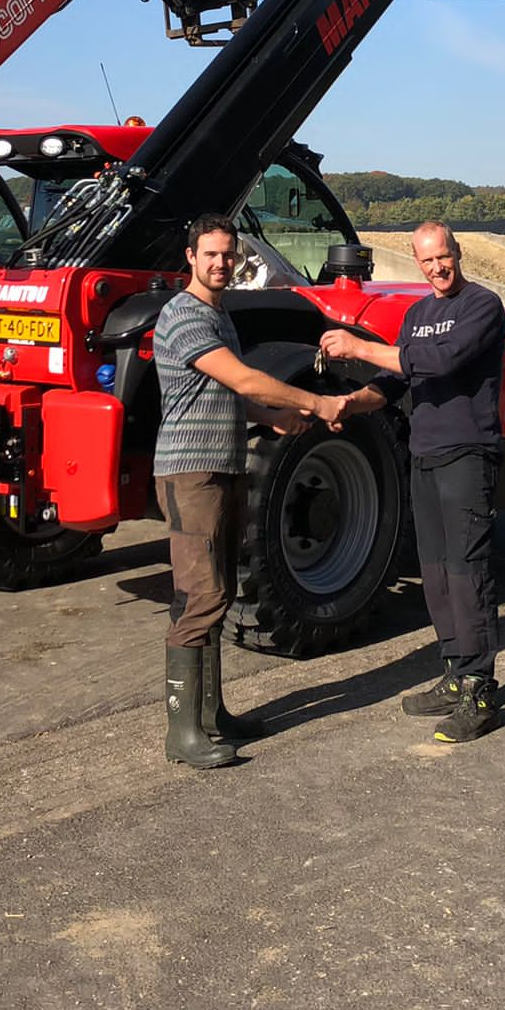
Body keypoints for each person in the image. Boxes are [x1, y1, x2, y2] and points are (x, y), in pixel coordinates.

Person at [153, 213, 348, 768]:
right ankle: (182, 733)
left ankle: (212, 715)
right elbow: (239, 377)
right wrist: (312, 402)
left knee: (216, 589)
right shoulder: (185, 314)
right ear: (190, 258)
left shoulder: (220, 315)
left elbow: (226, 394)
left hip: (223, 463)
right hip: (192, 471)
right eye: (210, 254)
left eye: (227, 254)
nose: (220, 263)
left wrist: (270, 416)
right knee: (202, 595)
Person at [319, 220, 505, 743]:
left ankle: (481, 690)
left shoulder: (481, 306)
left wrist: (358, 346)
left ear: (458, 252)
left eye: (443, 257)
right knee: (437, 571)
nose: (437, 268)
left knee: (469, 570)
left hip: (469, 452)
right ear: (417, 263)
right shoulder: (419, 313)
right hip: (424, 455)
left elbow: (438, 360)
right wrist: (350, 404)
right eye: (426, 261)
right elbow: (396, 378)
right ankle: (454, 672)